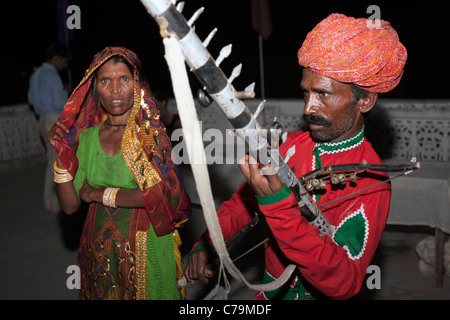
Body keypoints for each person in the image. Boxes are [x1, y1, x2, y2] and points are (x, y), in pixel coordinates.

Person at [184, 13, 407, 299]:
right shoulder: (290, 146)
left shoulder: (369, 179)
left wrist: (279, 208)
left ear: (364, 100)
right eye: (306, 93)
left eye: (324, 95)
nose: (308, 108)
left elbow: (345, 282)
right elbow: (243, 203)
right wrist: (209, 242)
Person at [47, 47, 191, 300]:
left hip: (146, 247)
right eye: (105, 80)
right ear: (95, 88)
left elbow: (157, 196)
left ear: (137, 85)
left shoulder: (148, 136)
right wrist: (62, 157)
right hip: (99, 249)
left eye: (124, 79)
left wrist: (96, 194)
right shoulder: (88, 139)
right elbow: (70, 206)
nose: (115, 90)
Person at [28, 43, 71, 213]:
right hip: (54, 119)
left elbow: (31, 100)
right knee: (55, 162)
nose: (65, 65)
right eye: (64, 61)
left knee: (52, 159)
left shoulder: (36, 74)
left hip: (41, 119)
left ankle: (52, 200)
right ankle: (52, 201)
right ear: (56, 59)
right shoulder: (52, 75)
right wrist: (65, 91)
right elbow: (58, 103)